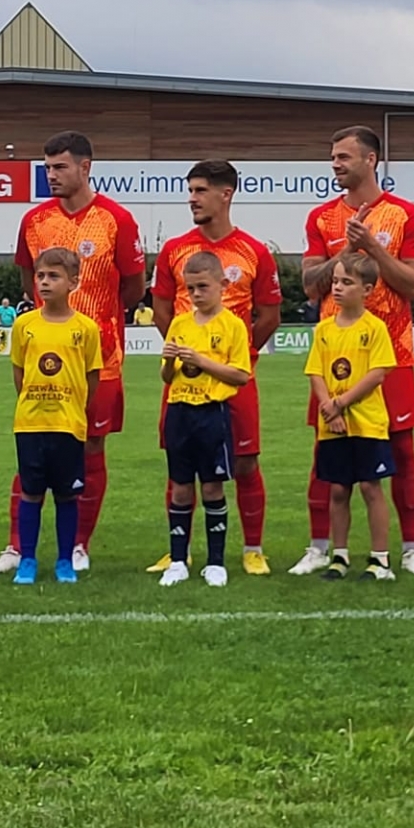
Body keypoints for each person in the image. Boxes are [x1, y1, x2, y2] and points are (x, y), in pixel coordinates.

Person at [0, 131, 146, 575]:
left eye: (60, 167)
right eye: (47, 167)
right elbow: (27, 278)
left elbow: (134, 287)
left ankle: (77, 545)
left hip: (100, 359)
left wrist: (99, 323)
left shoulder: (116, 219)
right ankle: (18, 547)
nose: (51, 175)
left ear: (85, 167)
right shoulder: (35, 220)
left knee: (90, 446)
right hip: (45, 358)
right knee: (34, 445)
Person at [295, 126, 414, 577]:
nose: (335, 164)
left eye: (343, 157)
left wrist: (373, 247)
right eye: (333, 157)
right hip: (335, 359)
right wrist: (347, 252)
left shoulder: (406, 215)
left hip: (393, 356)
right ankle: (320, 548)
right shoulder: (321, 218)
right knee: (326, 452)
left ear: (370, 160)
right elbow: (310, 285)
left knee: (402, 451)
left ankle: (410, 549)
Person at [149, 161, 282, 573]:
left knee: (245, 461)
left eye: (200, 190)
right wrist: (186, 352)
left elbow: (269, 315)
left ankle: (252, 550)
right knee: (180, 462)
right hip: (185, 379)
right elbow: (161, 311)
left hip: (232, 380)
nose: (192, 198)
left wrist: (236, 357)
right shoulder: (174, 250)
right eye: (190, 190)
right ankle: (181, 551)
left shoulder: (254, 251)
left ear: (226, 194)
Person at [8, 248, 103, 586]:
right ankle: (27, 561)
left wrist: (74, 408)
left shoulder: (86, 328)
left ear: (73, 282)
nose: (45, 282)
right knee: (31, 493)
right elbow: (19, 373)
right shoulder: (24, 325)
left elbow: (92, 376)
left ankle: (65, 560)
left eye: (54, 276)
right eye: (40, 276)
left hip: (68, 425)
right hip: (31, 424)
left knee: (66, 494)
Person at [158, 251, 253, 586]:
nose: (196, 294)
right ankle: (177, 561)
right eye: (190, 288)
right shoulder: (180, 324)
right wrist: (170, 361)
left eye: (202, 287)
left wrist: (201, 360)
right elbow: (167, 377)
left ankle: (215, 562)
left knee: (212, 486)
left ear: (222, 285)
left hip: (212, 413)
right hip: (179, 412)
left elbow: (241, 375)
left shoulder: (232, 326)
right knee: (181, 487)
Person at [304, 253, 399, 581]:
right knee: (338, 490)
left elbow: (377, 373)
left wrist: (341, 402)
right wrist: (329, 409)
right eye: (335, 281)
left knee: (371, 487)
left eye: (347, 282)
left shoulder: (375, 328)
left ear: (367, 290)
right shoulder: (324, 330)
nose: (338, 288)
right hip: (333, 425)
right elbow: (316, 373)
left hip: (367, 422)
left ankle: (380, 560)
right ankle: (340, 556)